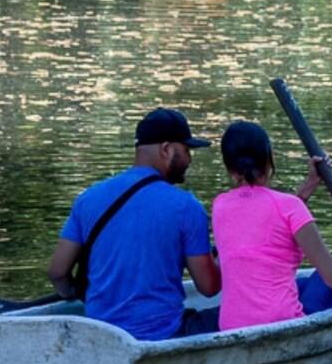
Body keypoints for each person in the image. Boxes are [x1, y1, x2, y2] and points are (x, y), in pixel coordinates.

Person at [47, 108, 221, 340]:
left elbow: (57, 272)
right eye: (187, 150)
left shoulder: (88, 198)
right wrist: (226, 256)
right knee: (237, 314)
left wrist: (74, 293)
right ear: (167, 149)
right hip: (165, 334)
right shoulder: (186, 207)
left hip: (102, 336)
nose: (189, 159)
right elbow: (209, 288)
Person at [208, 120, 332, 332]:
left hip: (230, 326)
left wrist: (310, 183)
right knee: (323, 276)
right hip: (282, 323)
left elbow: (268, 219)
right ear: (269, 162)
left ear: (229, 168)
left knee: (299, 284)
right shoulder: (288, 207)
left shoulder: (220, 206)